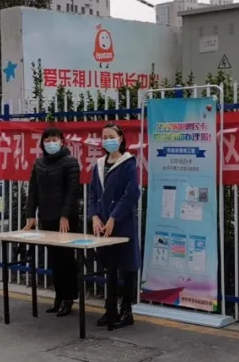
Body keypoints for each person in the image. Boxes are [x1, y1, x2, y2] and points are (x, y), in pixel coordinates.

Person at [87, 122, 141, 329]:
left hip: (122, 223)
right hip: (103, 225)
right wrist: (94, 216)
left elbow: (131, 194)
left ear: (120, 139)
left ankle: (127, 311)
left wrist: (113, 217)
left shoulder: (128, 163)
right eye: (105, 137)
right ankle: (110, 309)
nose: (108, 140)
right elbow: (93, 193)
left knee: (126, 267)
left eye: (111, 136)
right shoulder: (100, 164)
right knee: (109, 267)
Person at [24, 126, 81, 317]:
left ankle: (69, 298)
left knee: (66, 259)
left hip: (65, 220)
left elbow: (73, 191)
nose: (51, 143)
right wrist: (31, 214)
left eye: (54, 139)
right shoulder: (39, 163)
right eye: (47, 140)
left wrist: (65, 215)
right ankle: (59, 296)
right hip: (46, 218)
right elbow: (33, 190)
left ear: (62, 142)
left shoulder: (70, 162)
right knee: (55, 260)